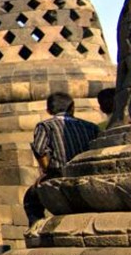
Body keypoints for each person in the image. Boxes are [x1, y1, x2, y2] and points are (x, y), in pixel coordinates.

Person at [23, 92, 99, 224]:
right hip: (87, 172)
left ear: (48, 110)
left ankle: (37, 230)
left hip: (59, 174)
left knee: (31, 201)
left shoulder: (46, 126)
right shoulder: (91, 127)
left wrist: (46, 171)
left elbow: (39, 149)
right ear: (72, 107)